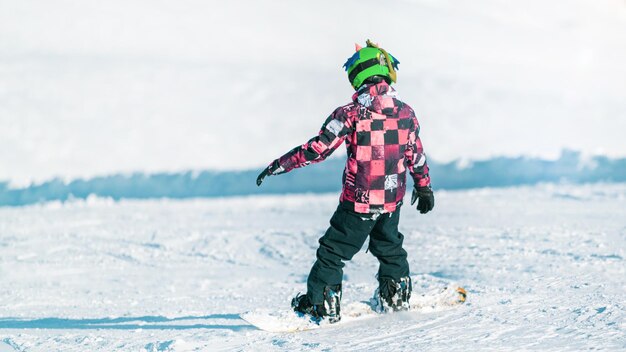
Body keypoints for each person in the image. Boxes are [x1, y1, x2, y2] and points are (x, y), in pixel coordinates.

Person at [256, 40, 434, 323]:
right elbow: (416, 154)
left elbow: (319, 148)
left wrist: (280, 164)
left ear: (357, 76)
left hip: (359, 202)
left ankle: (322, 305)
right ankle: (395, 296)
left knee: (332, 252)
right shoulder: (406, 113)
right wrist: (424, 187)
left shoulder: (350, 114)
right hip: (391, 200)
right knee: (390, 248)